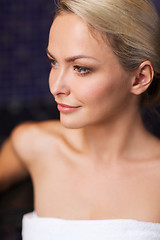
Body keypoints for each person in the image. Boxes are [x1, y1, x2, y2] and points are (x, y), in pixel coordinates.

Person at [1, 0, 160, 239]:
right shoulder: (34, 145)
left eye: (81, 68)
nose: (55, 86)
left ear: (139, 78)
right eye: (54, 62)